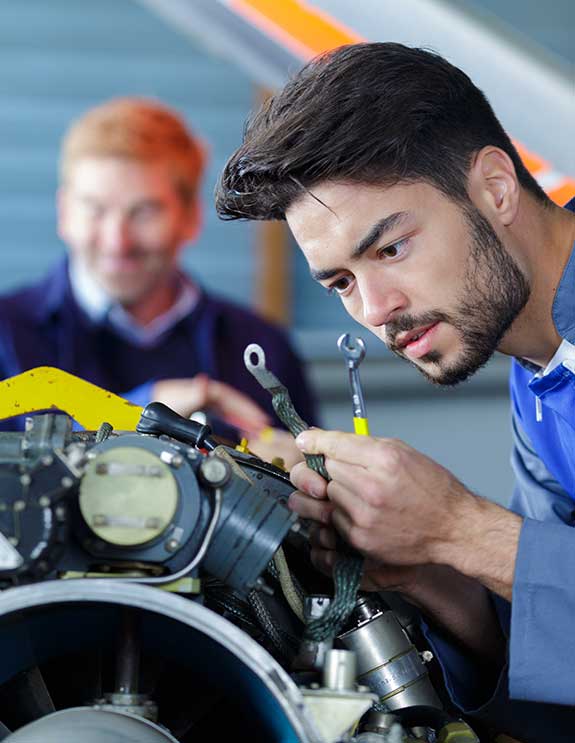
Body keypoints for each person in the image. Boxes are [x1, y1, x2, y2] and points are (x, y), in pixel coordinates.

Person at [215, 42, 575, 741]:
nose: (375, 309)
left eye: (388, 248)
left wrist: (457, 527)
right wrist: (423, 570)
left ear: (495, 188)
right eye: (341, 283)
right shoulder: (538, 374)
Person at [0, 97, 316, 452]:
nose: (116, 241)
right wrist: (143, 409)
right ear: (64, 212)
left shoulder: (262, 346)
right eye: (94, 209)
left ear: (191, 217)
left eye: (144, 212)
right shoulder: (4, 334)